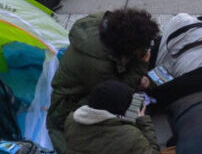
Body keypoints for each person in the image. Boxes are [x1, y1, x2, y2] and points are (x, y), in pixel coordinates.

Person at [47, 8, 158, 141]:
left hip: (90, 83)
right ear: (128, 48)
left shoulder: (104, 22)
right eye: (144, 47)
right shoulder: (98, 64)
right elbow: (118, 90)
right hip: (69, 105)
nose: (147, 49)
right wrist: (141, 66)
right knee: (135, 111)